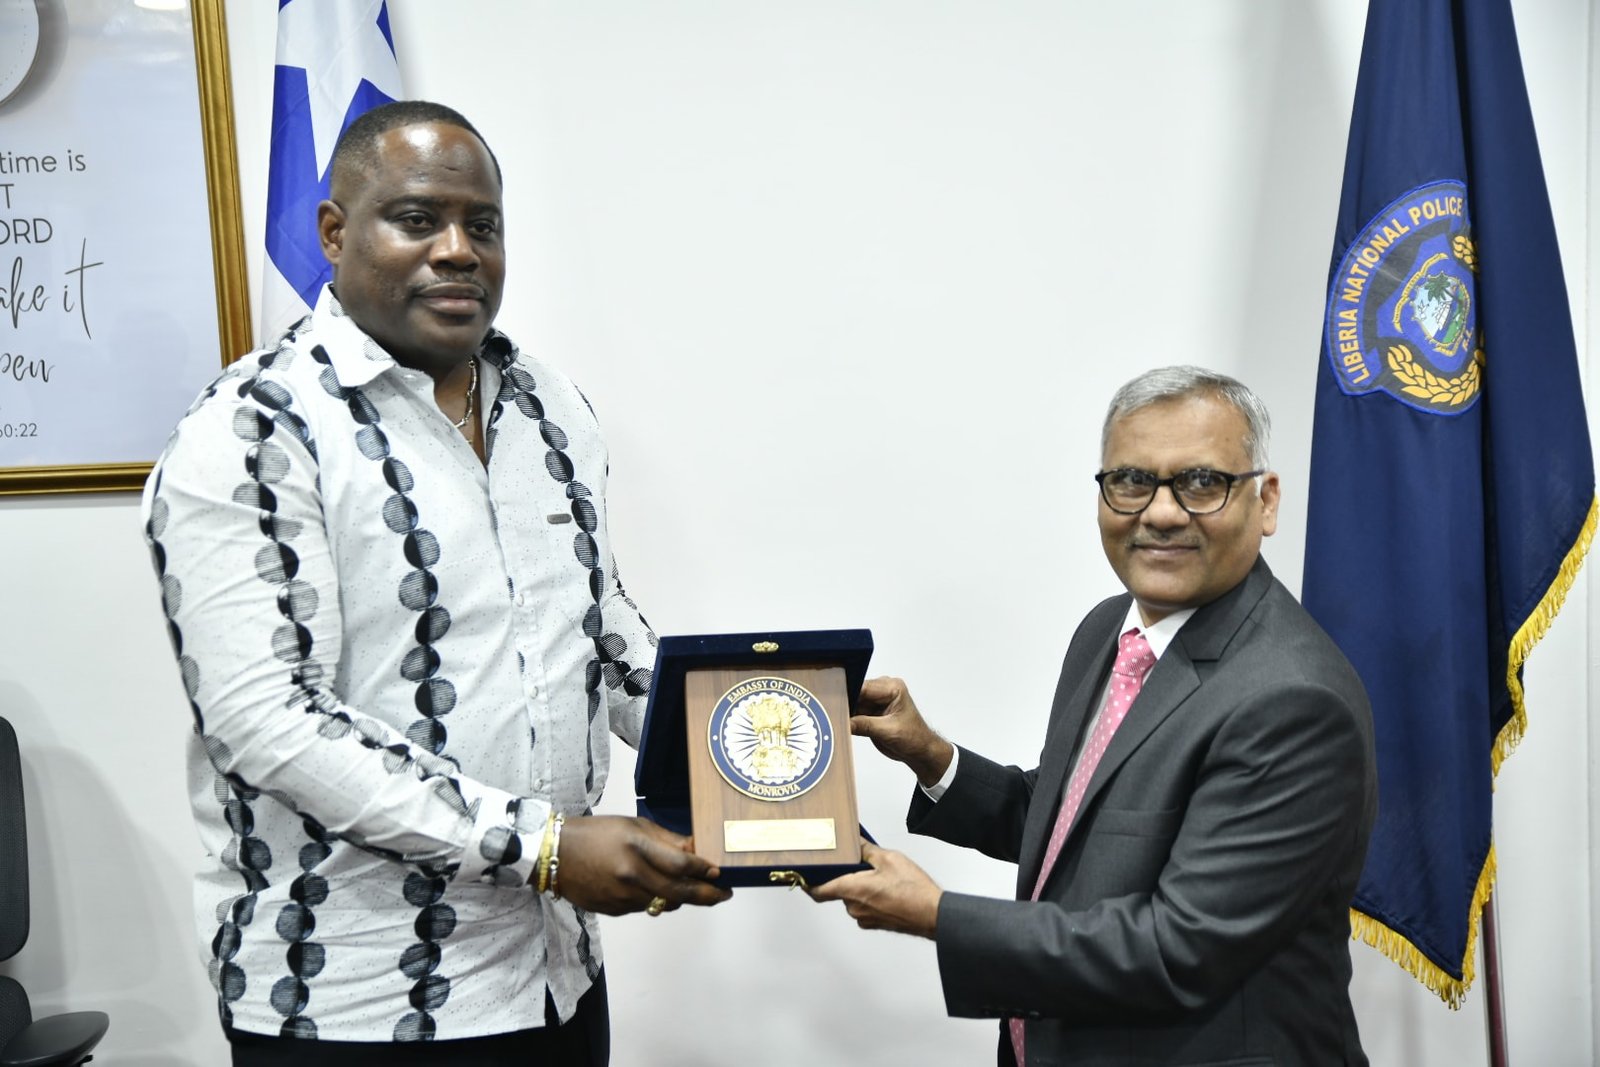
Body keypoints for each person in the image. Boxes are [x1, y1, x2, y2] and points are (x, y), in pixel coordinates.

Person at [140, 100, 729, 1067]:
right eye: (418, 219)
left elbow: (598, 622)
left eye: (482, 224)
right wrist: (540, 846)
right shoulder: (251, 432)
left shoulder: (547, 405)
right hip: (357, 1000)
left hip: (555, 978)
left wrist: (745, 744)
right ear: (334, 233)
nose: (458, 249)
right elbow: (268, 722)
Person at [813, 366, 1378, 1066]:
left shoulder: (1293, 701)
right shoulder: (1111, 630)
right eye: (1132, 481)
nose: (1161, 512)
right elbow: (1078, 827)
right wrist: (932, 756)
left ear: (1265, 501)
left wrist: (937, 915)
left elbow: (1176, 948)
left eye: (1201, 482)